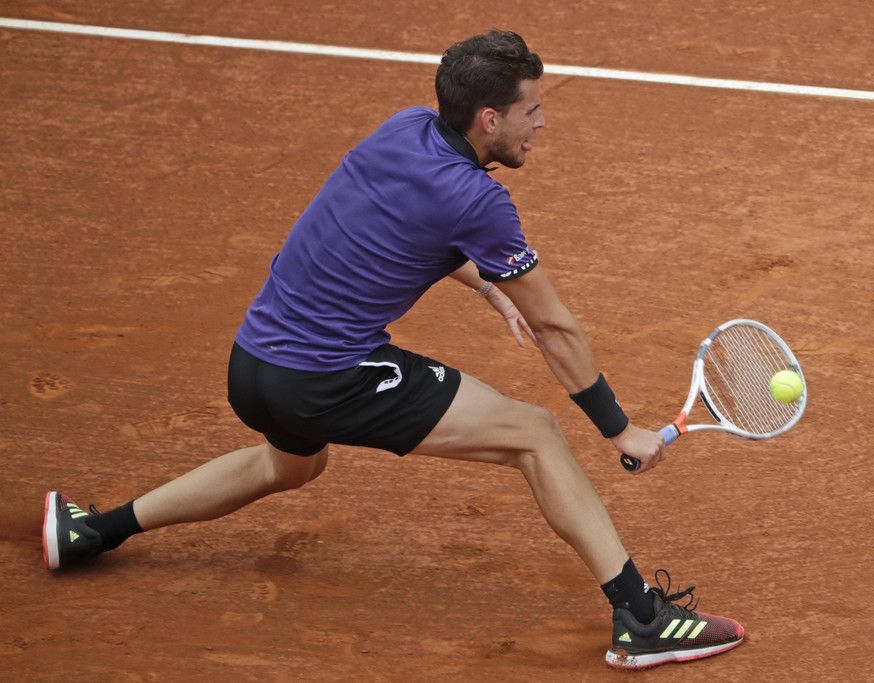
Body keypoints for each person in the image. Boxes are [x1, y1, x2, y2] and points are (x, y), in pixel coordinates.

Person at [42, 30, 743, 669]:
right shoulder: (480, 202)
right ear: (489, 119)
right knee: (536, 434)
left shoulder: (404, 128)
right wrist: (619, 429)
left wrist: (489, 290)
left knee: (289, 465)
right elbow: (556, 329)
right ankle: (640, 617)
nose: (541, 123)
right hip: (326, 376)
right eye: (531, 110)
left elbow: (408, 224)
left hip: (253, 363)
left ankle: (95, 531)